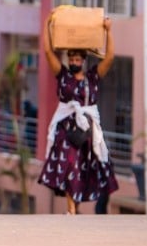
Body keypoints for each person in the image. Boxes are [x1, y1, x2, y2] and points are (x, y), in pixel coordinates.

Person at [37, 11, 119, 215]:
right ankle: (71, 209)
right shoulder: (63, 75)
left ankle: (76, 206)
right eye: (71, 58)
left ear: (83, 60)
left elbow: (109, 57)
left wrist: (109, 31)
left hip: (86, 130)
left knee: (84, 168)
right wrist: (47, 24)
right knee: (68, 164)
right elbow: (48, 52)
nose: (73, 62)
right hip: (66, 128)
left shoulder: (93, 77)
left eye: (77, 59)